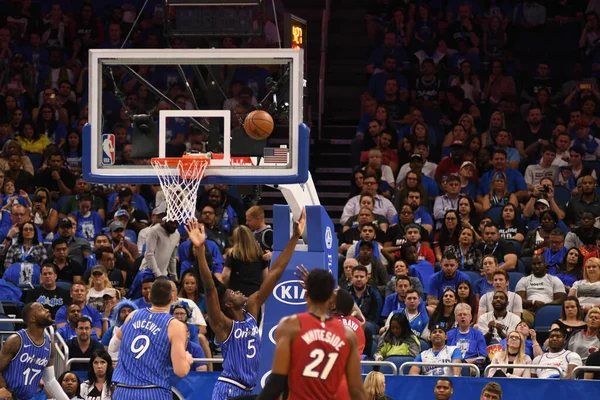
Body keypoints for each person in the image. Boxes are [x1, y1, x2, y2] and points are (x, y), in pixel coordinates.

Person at [187, 210, 307, 399]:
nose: (238, 291)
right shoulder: (224, 325)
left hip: (248, 390)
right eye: (233, 293)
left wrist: (295, 237)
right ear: (227, 305)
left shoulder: (252, 309)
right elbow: (210, 288)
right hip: (229, 388)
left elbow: (275, 272)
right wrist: (201, 251)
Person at [257, 268, 366, 400]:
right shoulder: (348, 335)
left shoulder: (291, 326)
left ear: (306, 295)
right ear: (331, 298)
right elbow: (356, 390)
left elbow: (277, 381)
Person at [109, 278, 193, 399]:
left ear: (149, 296)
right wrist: (187, 360)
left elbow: (113, 345)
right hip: (153, 391)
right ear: (173, 297)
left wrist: (117, 361)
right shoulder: (175, 326)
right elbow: (180, 371)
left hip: (123, 390)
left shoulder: (133, 315)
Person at [0, 302, 69, 399]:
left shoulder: (50, 346)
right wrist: (5, 390)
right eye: (41, 309)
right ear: (32, 318)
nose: (47, 310)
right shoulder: (16, 340)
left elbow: (50, 381)